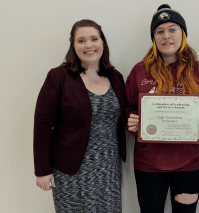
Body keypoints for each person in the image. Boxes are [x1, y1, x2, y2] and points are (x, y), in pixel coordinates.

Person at [125, 4, 199, 213]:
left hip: (190, 163)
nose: (167, 36)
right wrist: (131, 120)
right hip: (148, 163)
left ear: (183, 33)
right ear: (154, 37)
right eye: (160, 31)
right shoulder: (139, 71)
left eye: (173, 29)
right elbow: (129, 107)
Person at [33, 19, 126, 213]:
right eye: (81, 41)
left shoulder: (115, 77)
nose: (89, 45)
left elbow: (122, 117)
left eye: (94, 39)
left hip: (108, 169)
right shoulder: (59, 77)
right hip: (71, 169)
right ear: (73, 45)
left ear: (103, 42)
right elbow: (42, 124)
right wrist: (43, 170)